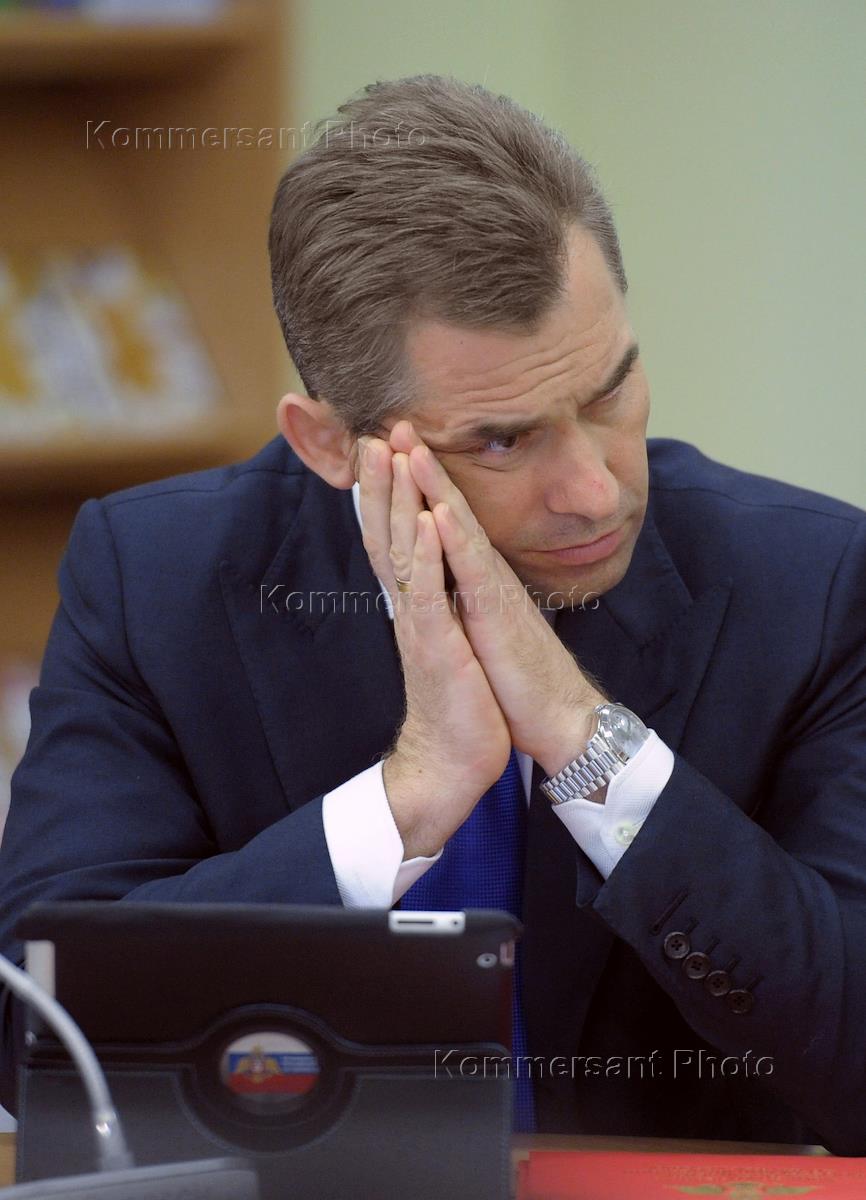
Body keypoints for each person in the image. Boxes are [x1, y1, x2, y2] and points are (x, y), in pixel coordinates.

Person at [1, 75, 865, 1150]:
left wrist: (588, 745)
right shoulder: (156, 579)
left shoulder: (812, 582)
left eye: (608, 392)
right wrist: (409, 796)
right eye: (501, 439)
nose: (594, 489)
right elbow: (38, 1038)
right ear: (330, 444)